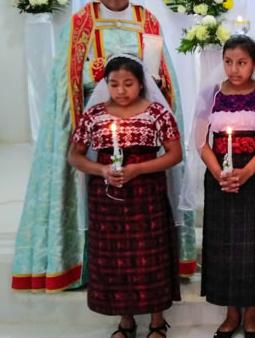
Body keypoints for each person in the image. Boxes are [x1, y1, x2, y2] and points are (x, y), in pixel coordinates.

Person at [12, 0, 194, 292]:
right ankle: (85, 264)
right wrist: (99, 76)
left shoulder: (146, 20)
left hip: (142, 126)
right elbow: (65, 78)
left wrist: (149, 83)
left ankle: (155, 263)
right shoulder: (81, 23)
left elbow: (163, 75)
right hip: (94, 122)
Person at [67, 55, 180, 338]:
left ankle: (157, 322)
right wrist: (102, 170)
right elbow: (75, 156)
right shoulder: (94, 115)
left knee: (151, 256)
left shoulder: (157, 113)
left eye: (128, 83)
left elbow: (175, 154)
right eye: (114, 84)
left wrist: (137, 169)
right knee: (116, 258)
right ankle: (125, 321)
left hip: (147, 195)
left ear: (141, 84)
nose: (121, 90)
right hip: (107, 198)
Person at [195, 36, 255, 338]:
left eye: (241, 62)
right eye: (228, 62)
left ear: (254, 63)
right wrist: (219, 172)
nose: (234, 69)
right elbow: (200, 141)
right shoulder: (212, 94)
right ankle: (231, 312)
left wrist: (247, 172)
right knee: (224, 246)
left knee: (254, 245)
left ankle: (252, 313)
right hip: (220, 174)